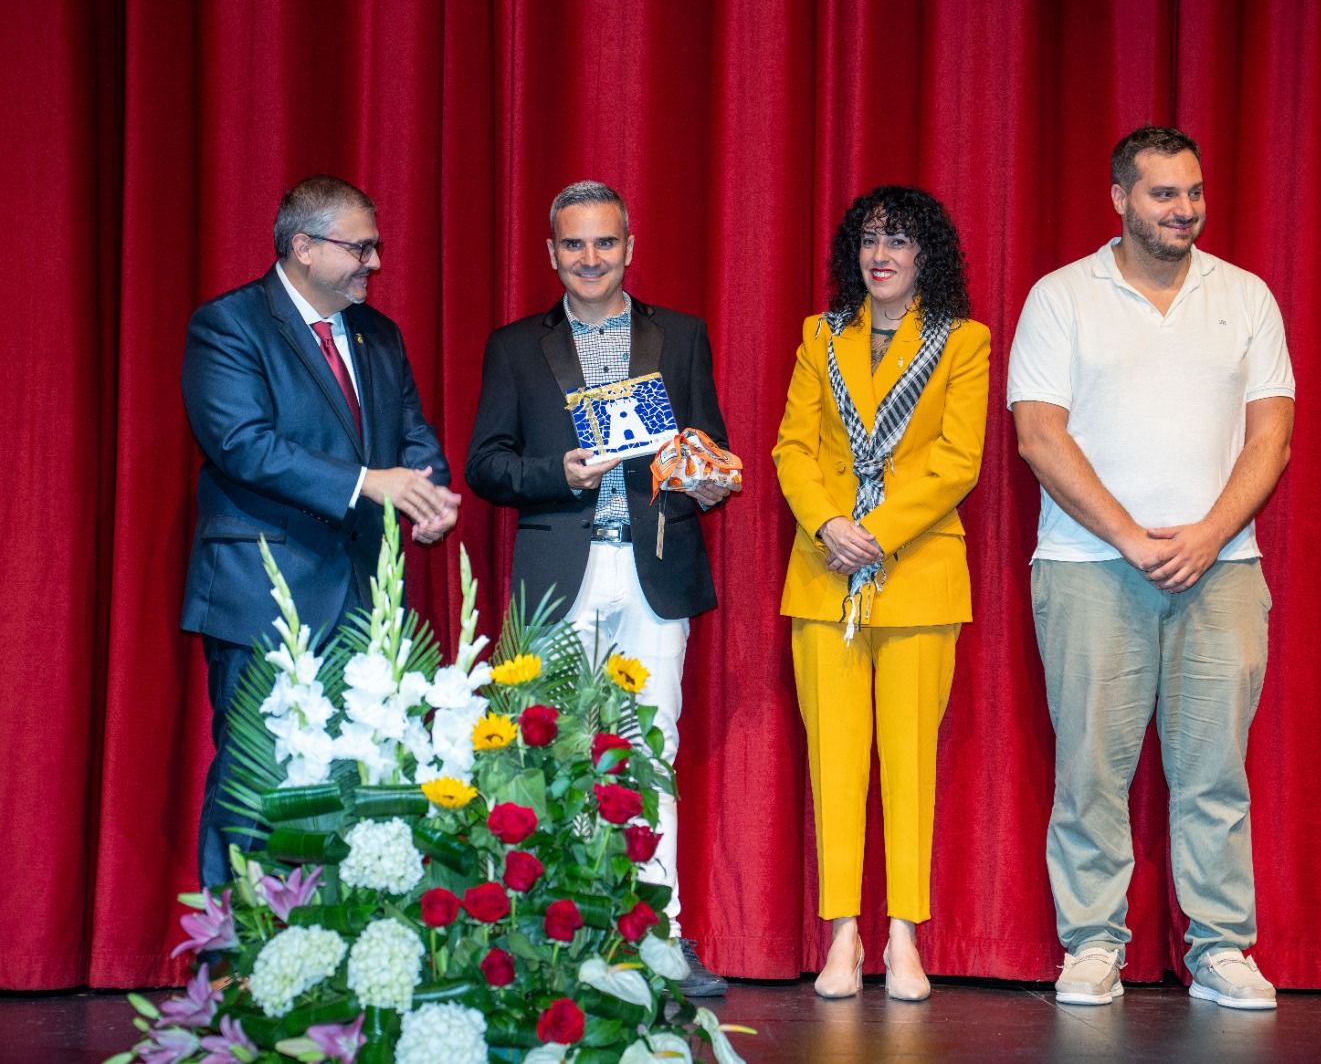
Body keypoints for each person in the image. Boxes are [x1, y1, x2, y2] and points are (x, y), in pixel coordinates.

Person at [1008, 127, 1296, 1010]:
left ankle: (1220, 949)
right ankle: (1092, 946)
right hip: (1090, 568)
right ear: (1121, 199)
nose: (1184, 210)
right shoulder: (1061, 298)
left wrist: (1210, 532)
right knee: (1091, 768)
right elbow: (1038, 435)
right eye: (1164, 194)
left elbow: (1273, 432)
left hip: (1225, 569)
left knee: (1216, 772)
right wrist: (1131, 536)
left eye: (1194, 193)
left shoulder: (1245, 297)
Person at [465, 180, 731, 996]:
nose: (590, 259)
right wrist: (561, 472)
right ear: (551, 254)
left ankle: (662, 934)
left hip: (653, 566)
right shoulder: (514, 347)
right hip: (559, 571)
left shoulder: (680, 335)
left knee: (654, 751)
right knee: (551, 754)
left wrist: (709, 476)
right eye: (573, 245)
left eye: (604, 243)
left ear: (629, 248)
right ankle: (558, 939)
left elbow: (708, 443)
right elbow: (486, 465)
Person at [181, 175, 460, 890]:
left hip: (364, 597)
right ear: (303, 247)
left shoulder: (378, 333)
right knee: (256, 774)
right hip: (263, 591)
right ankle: (232, 961)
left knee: (354, 777)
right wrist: (371, 483)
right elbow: (243, 444)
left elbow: (412, 434)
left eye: (376, 246)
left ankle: (325, 957)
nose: (374, 262)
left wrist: (425, 494)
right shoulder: (230, 325)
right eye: (359, 247)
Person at [773, 186, 990, 1001]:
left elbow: (957, 459)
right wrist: (831, 523)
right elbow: (793, 446)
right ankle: (841, 934)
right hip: (825, 573)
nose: (882, 254)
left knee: (909, 761)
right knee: (835, 761)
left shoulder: (962, 342)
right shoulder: (820, 337)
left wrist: (880, 530)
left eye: (899, 239)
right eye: (869, 240)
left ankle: (904, 934)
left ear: (926, 253)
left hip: (919, 574)